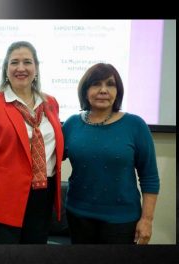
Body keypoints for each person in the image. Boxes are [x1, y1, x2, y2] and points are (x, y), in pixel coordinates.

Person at [0, 41, 64, 244]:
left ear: (36, 69)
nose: (21, 68)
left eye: (27, 62)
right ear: (6, 69)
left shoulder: (51, 103)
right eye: (14, 62)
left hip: (43, 198)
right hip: (4, 203)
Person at [62, 63, 160, 244]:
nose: (103, 90)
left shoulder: (135, 125)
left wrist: (147, 220)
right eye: (96, 84)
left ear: (118, 92)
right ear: (85, 90)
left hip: (122, 220)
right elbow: (48, 159)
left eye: (110, 84)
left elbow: (150, 177)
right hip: (77, 215)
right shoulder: (71, 124)